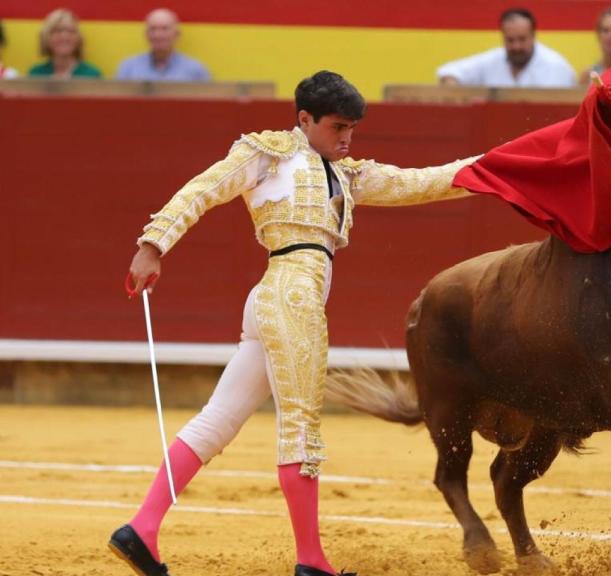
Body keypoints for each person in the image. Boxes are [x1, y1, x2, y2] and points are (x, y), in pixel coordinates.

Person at [109, 70, 478, 576]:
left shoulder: (347, 174)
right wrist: (153, 245)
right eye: (337, 127)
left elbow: (422, 182)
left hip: (275, 298)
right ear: (305, 119)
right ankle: (311, 562)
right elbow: (204, 188)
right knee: (300, 427)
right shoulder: (270, 154)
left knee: (218, 421)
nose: (346, 139)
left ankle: (141, 531)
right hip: (293, 294)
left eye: (352, 129)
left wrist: (492, 168)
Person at [437, 8, 576, 88]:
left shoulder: (556, 66)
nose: (516, 46)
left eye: (522, 39)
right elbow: (449, 72)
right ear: (502, 37)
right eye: (510, 40)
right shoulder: (493, 60)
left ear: (533, 36)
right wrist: (454, 93)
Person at [115, 8, 211, 82]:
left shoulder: (195, 70)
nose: (158, 35)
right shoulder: (128, 68)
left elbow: (207, 106)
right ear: (146, 35)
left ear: (177, 34)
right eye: (153, 29)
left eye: (165, 29)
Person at [28, 8, 102, 78]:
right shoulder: (36, 74)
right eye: (57, 31)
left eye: (71, 31)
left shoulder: (92, 75)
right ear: (46, 37)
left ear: (79, 39)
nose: (64, 37)